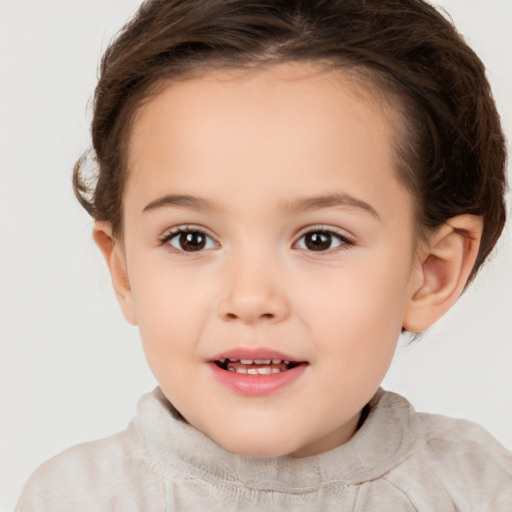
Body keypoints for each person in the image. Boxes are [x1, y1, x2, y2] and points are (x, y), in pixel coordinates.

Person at [16, 0, 512, 509]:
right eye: (191, 239)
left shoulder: (479, 490)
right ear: (123, 271)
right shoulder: (74, 498)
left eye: (320, 239)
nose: (250, 299)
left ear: (431, 271)